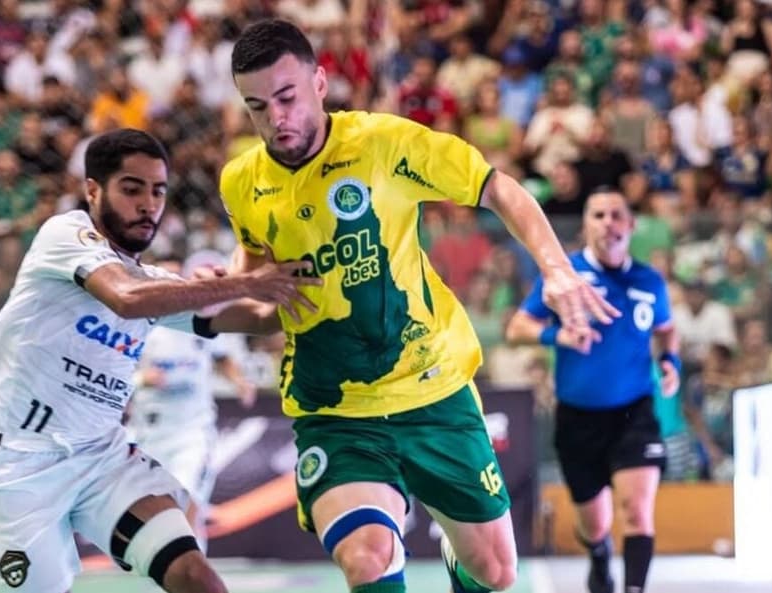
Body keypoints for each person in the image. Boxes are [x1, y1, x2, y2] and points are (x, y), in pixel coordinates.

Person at [220, 19, 618, 593]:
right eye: (257, 107)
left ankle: (464, 561)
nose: (276, 118)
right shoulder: (240, 183)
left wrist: (556, 269)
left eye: (287, 97)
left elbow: (495, 186)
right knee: (369, 556)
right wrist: (227, 290)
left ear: (320, 82)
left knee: (497, 572)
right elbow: (254, 276)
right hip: (334, 407)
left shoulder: (384, 144)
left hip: (431, 386)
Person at [0, 128, 319, 593]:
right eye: (132, 189)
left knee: (196, 576)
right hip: (15, 465)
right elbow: (127, 299)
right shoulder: (65, 234)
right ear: (93, 190)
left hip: (100, 458)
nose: (149, 204)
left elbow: (257, 320)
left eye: (158, 191)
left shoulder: (153, 281)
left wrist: (307, 278)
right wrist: (243, 283)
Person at [506, 188, 681, 593]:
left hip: (634, 412)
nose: (608, 223)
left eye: (616, 215)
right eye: (598, 215)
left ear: (631, 225)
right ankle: (599, 556)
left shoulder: (649, 280)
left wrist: (671, 363)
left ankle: (635, 588)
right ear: (586, 225)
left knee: (637, 511)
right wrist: (557, 336)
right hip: (578, 417)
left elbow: (666, 329)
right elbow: (517, 329)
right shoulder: (563, 278)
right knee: (595, 524)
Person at [126, 252, 256, 549]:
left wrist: (239, 381)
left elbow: (223, 356)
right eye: (162, 276)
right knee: (156, 514)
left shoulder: (199, 318)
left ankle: (192, 571)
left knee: (190, 504)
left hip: (191, 432)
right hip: (149, 432)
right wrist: (142, 379)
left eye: (175, 276)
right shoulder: (139, 323)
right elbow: (116, 370)